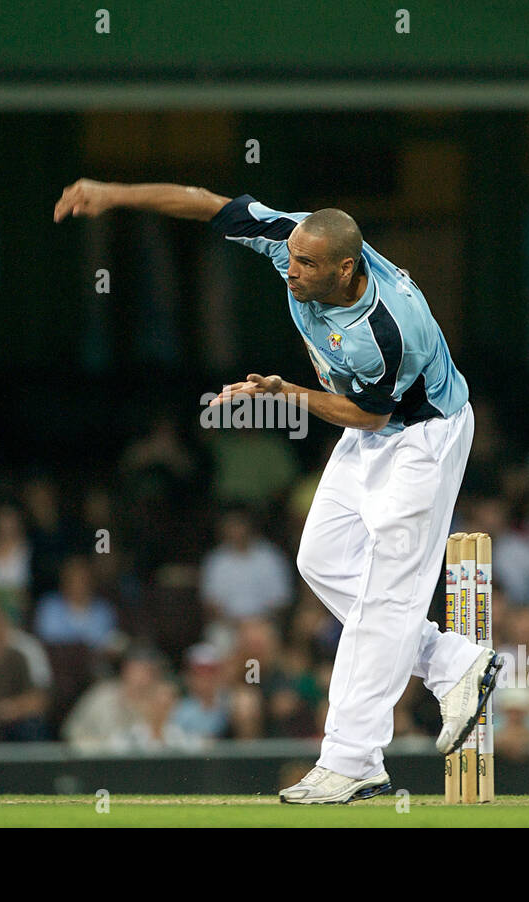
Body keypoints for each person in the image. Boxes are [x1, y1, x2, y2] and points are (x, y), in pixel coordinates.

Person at [55, 179, 501, 803]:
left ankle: (352, 760)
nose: (289, 269)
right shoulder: (291, 239)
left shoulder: (390, 328)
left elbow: (368, 414)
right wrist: (114, 194)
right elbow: (206, 203)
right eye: (290, 256)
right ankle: (453, 664)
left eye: (306, 264)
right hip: (372, 428)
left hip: (422, 438)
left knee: (386, 599)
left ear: (346, 269)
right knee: (317, 557)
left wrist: (285, 393)